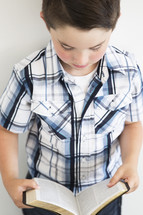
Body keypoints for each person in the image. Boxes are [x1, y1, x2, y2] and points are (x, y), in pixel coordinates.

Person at [0, 0, 143, 214]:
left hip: (106, 192)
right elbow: (7, 130)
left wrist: (131, 162)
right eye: (67, 46)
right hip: (44, 196)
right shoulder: (28, 74)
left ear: (115, 23)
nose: (81, 60)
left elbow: (132, 124)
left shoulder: (128, 71)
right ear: (47, 23)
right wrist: (10, 180)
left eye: (96, 47)